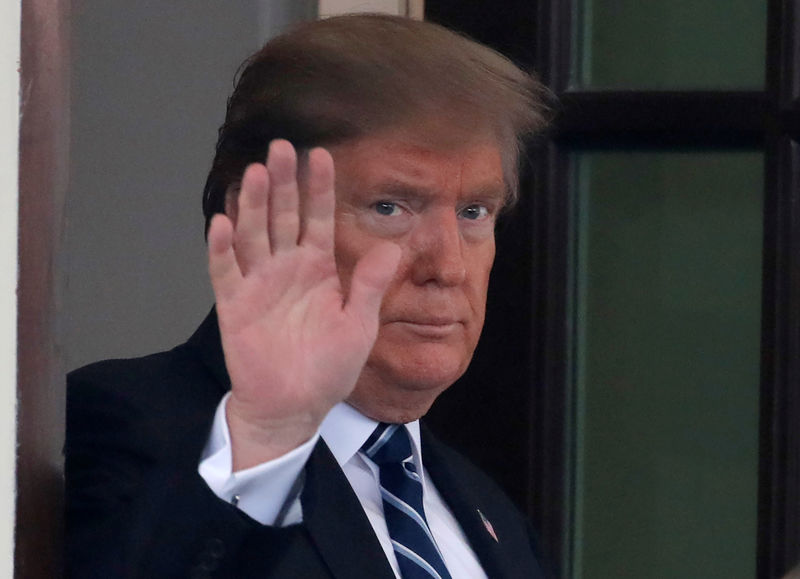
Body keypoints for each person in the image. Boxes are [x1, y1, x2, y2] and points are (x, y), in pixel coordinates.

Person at [65, 14, 552, 579]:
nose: (447, 267)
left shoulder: (489, 512)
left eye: (474, 213)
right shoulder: (128, 426)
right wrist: (269, 439)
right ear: (260, 217)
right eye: (390, 208)